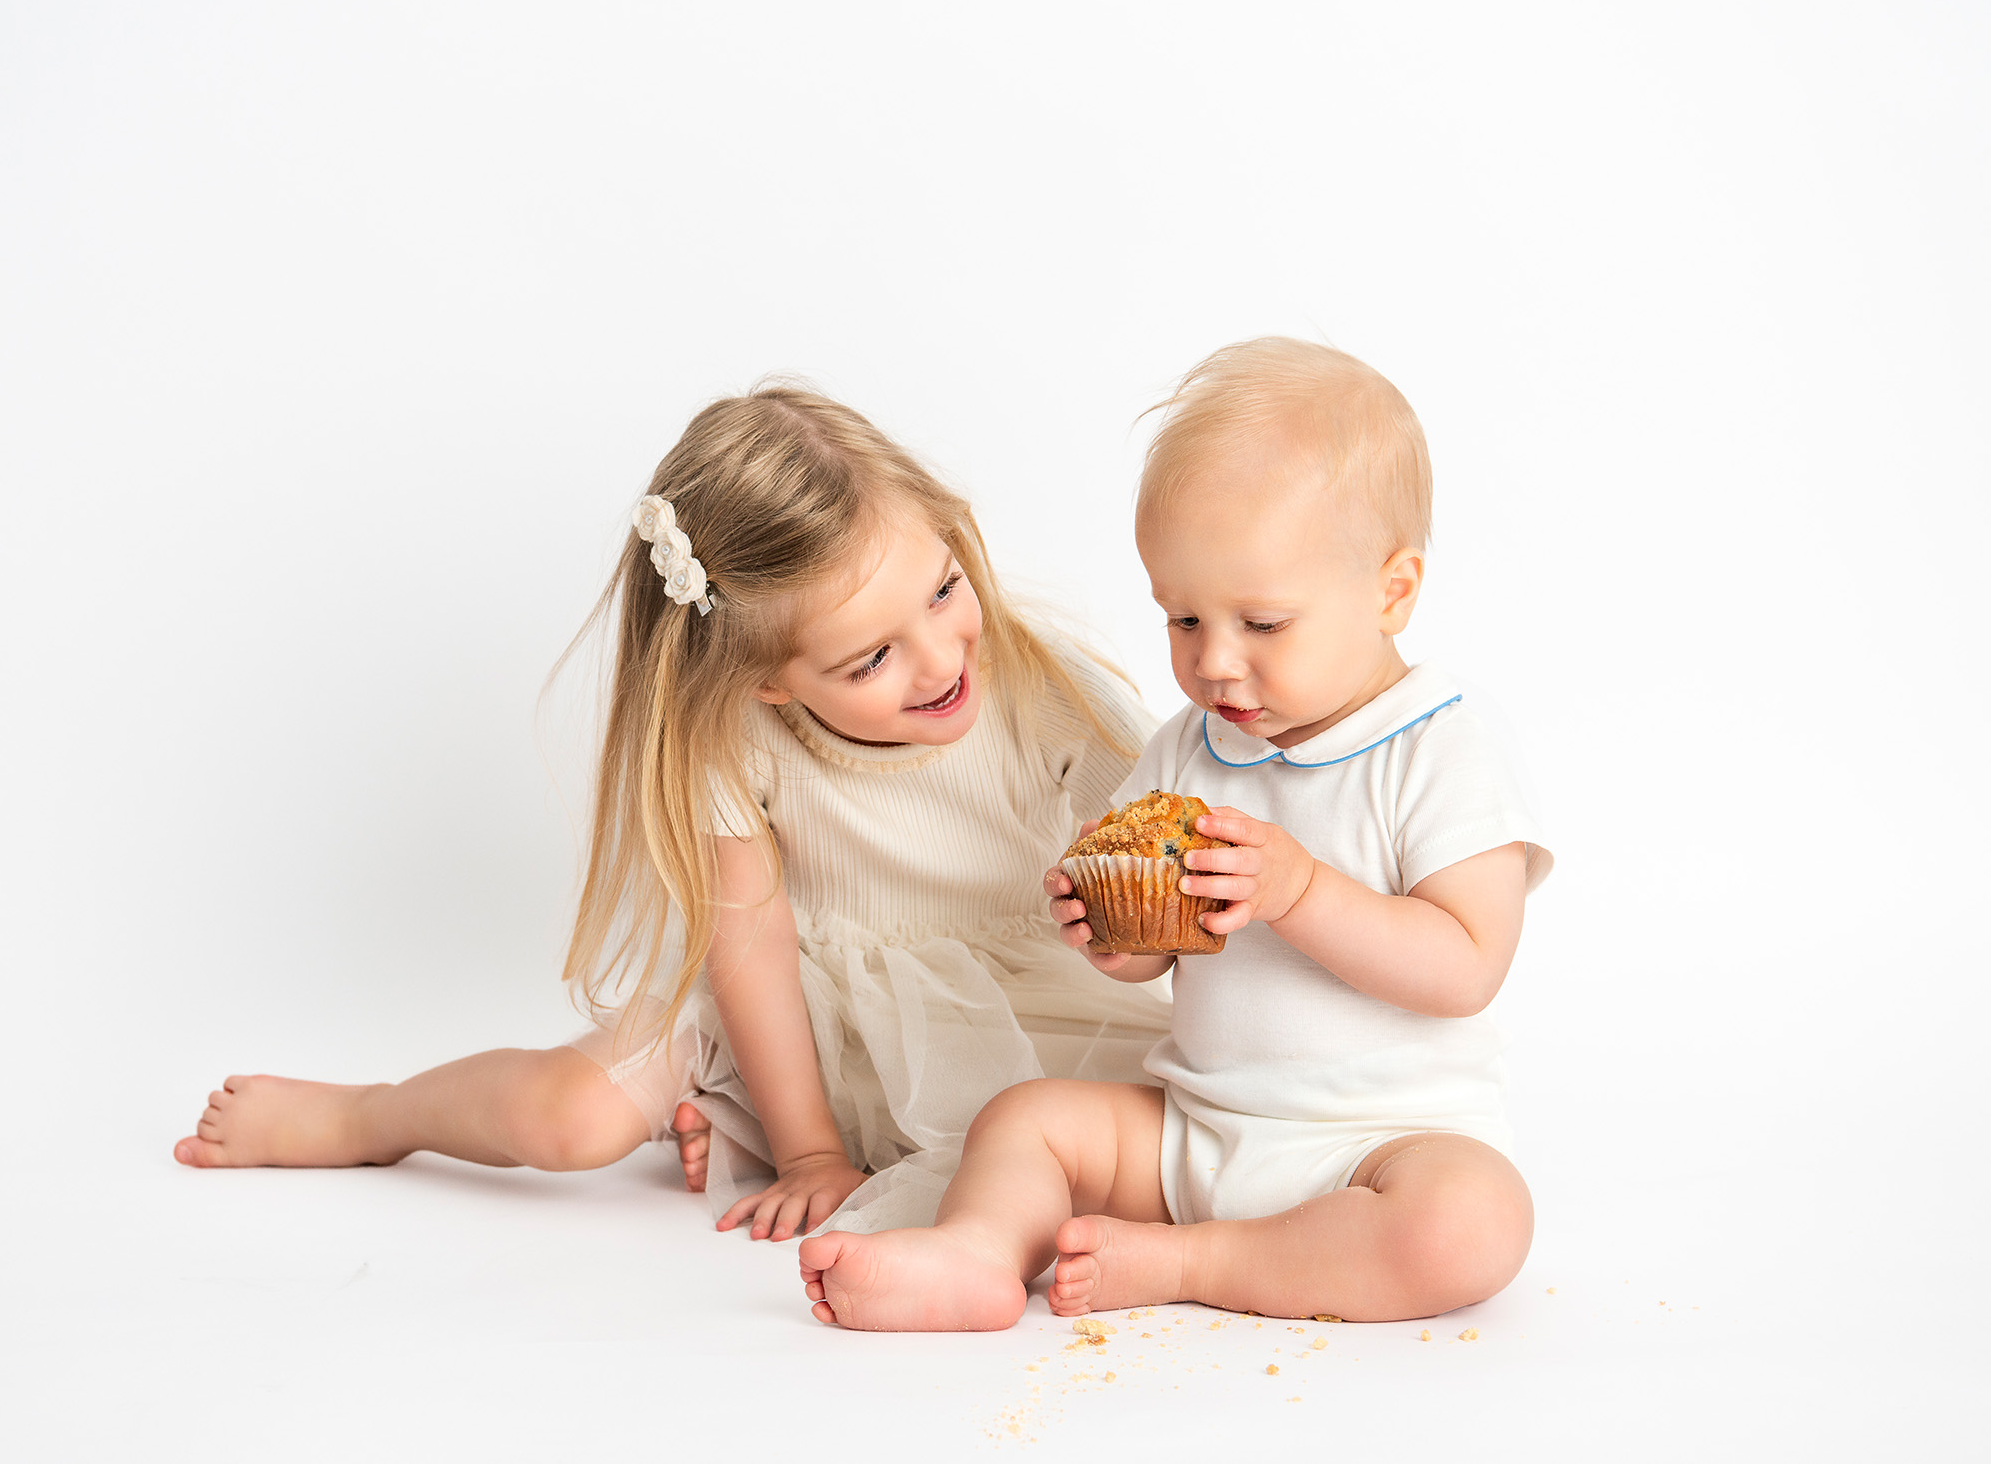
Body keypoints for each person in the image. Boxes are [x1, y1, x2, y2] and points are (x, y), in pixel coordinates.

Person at [176, 385, 1171, 1241]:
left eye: (943, 589)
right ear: (766, 683)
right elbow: (751, 949)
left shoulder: (1041, 689)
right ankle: (373, 1118)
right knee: (571, 1119)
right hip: (781, 1013)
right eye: (868, 659)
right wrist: (808, 1151)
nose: (940, 657)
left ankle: (722, 1124)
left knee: (1165, 1139)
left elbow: (1153, 853)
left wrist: (1119, 927)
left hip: (1012, 1002)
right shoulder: (736, 739)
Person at [798, 338, 1553, 1325]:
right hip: (1191, 1129)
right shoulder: (1186, 749)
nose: (1214, 664)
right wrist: (1110, 935)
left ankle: (1192, 1263)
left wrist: (1300, 892)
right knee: (1025, 1119)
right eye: (1182, 620)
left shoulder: (1441, 745)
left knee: (1474, 1223)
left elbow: (1464, 966)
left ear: (1391, 590)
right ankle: (973, 1254)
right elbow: (1159, 961)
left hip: (1373, 1145)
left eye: (1262, 624)